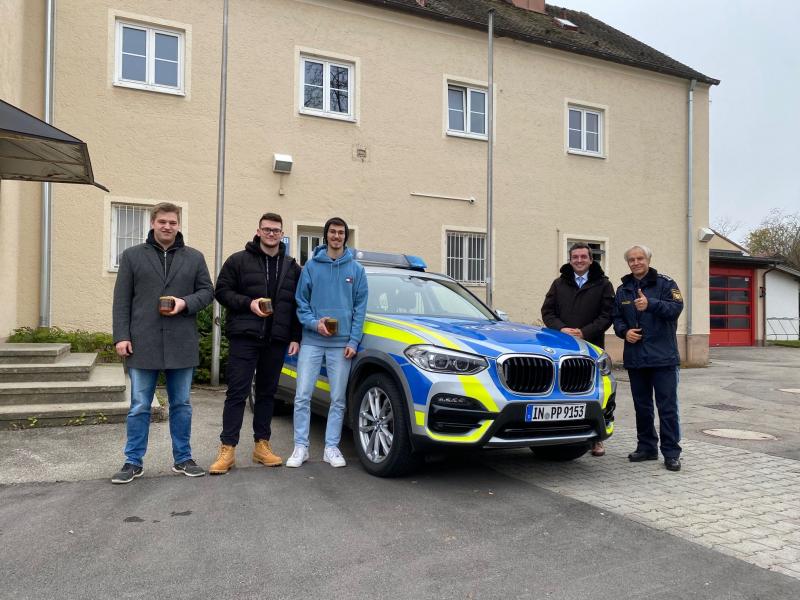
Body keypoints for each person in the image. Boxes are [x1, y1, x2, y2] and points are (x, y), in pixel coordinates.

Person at [111, 202, 213, 484]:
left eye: (173, 222)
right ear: (153, 223)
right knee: (139, 405)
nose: (167, 226)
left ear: (179, 224)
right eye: (162, 222)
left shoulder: (194, 257)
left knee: (181, 404)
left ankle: (183, 458)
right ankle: (133, 462)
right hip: (143, 341)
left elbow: (207, 292)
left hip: (182, 342)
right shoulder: (132, 256)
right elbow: (121, 301)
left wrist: (185, 303)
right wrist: (121, 336)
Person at [209, 212, 302, 474]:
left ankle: (262, 445)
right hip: (245, 337)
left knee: (266, 394)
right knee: (237, 393)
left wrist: (295, 336)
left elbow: (296, 304)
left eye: (276, 230)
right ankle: (227, 448)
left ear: (282, 234)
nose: (272, 234)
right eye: (267, 229)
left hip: (276, 340)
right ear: (258, 231)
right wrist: (248, 304)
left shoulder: (291, 266)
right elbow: (221, 291)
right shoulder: (238, 261)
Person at [286, 217, 368, 468]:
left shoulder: (356, 270)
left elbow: (360, 308)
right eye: (332, 232)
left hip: (341, 344)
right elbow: (301, 302)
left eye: (341, 232)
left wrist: (353, 341)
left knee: (338, 399)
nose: (336, 236)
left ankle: (331, 447)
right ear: (326, 236)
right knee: (302, 395)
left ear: (346, 237)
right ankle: (301, 447)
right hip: (312, 340)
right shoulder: (311, 267)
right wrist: (314, 324)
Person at [612, 245, 684, 472]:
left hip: (663, 358)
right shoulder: (623, 289)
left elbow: (676, 308)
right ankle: (646, 447)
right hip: (636, 358)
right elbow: (616, 318)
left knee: (667, 408)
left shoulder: (666, 284)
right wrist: (625, 332)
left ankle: (671, 453)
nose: (636, 262)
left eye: (639, 258)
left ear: (648, 259)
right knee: (642, 406)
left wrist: (650, 304)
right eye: (631, 259)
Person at [541, 242, 615, 456]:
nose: (579, 260)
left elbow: (607, 315)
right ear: (570, 259)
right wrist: (561, 329)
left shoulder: (603, 284)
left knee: (595, 393)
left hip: (590, 348)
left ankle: (596, 439)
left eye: (584, 257)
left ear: (591, 260)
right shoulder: (558, 283)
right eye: (575, 257)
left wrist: (584, 332)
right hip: (561, 346)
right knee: (565, 393)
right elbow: (547, 312)